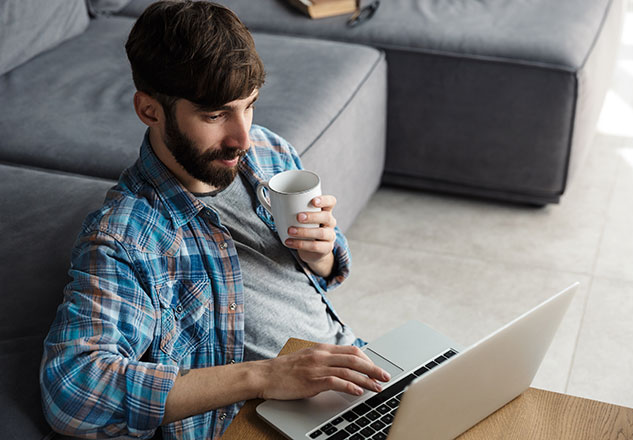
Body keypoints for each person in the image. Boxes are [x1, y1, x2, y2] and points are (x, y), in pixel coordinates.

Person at [39, 1, 390, 438]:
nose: (242, 137)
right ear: (150, 111)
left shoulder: (267, 151)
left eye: (250, 106)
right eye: (215, 114)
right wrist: (263, 376)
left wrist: (320, 254)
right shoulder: (127, 237)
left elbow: (320, 277)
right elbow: (72, 393)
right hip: (258, 421)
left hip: (354, 370)